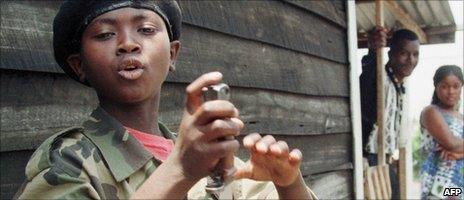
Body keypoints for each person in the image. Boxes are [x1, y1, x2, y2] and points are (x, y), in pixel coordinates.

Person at [14, 1, 316, 199]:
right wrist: (181, 171)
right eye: (105, 34)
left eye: (145, 30)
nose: (128, 44)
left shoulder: (212, 160)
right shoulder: (69, 162)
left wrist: (289, 184)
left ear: (172, 53)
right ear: (80, 65)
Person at [360, 26, 420, 199]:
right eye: (404, 54)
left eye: (415, 55)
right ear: (390, 54)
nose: (411, 60)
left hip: (385, 160)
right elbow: (369, 80)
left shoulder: (400, 85)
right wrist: (373, 50)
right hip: (371, 159)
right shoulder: (380, 78)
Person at [420, 65, 463, 199]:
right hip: (437, 187)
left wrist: (459, 152)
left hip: (458, 186)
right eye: (444, 86)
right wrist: (458, 149)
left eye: (456, 86)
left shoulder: (461, 118)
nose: (451, 91)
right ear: (436, 87)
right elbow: (451, 143)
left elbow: (457, 145)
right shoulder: (431, 112)